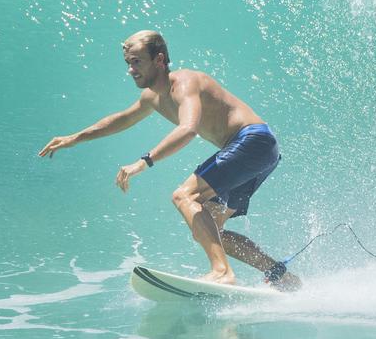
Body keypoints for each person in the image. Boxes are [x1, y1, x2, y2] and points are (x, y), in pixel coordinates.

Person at [38, 30, 300, 291]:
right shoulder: (152, 97)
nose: (131, 69)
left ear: (159, 59)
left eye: (137, 61)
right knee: (211, 230)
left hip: (253, 141)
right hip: (259, 150)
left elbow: (188, 128)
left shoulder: (185, 83)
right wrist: (75, 138)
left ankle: (221, 273)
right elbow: (121, 119)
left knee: (184, 196)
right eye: (128, 62)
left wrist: (143, 162)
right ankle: (282, 276)